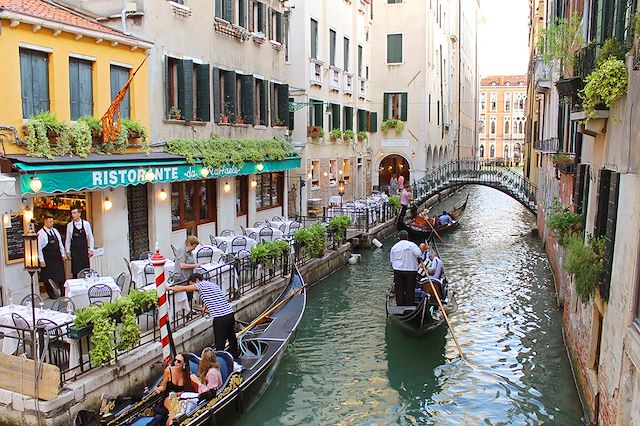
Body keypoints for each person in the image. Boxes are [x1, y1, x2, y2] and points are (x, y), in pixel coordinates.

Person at [169, 273, 239, 358]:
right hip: (230, 314)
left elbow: (184, 288)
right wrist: (205, 307)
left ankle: (219, 360)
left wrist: (169, 288)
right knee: (231, 336)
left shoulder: (200, 285)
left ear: (197, 280)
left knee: (220, 341)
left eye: (192, 284)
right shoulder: (212, 285)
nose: (194, 290)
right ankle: (235, 354)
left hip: (220, 317)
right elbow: (214, 297)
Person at [153, 353, 193, 426]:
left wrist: (179, 394)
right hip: (169, 398)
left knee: (177, 411)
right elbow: (163, 386)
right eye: (175, 360)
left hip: (180, 398)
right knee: (174, 411)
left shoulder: (187, 374)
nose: (175, 363)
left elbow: (188, 390)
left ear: (184, 363)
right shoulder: (168, 370)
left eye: (179, 361)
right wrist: (159, 389)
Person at [389, 230, 423, 306]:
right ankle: (409, 304)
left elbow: (392, 260)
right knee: (410, 289)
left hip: (398, 271)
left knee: (399, 289)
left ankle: (400, 304)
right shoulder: (412, 245)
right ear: (407, 237)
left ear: (399, 238)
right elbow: (419, 254)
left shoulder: (394, 247)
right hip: (410, 270)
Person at [37, 216, 67, 295]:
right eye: (50, 222)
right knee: (48, 278)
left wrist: (63, 254)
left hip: (57, 258)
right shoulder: (41, 233)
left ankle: (63, 293)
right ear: (45, 222)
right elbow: (39, 248)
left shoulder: (55, 231)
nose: (52, 223)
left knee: (61, 277)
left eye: (52, 221)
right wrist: (41, 260)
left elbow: (60, 243)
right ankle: (51, 294)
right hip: (48, 259)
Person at [65, 206, 95, 278]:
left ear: (79, 214)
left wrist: (91, 249)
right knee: (75, 272)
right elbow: (68, 240)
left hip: (84, 251)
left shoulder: (86, 224)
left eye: (74, 213)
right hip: (74, 252)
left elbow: (91, 237)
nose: (73, 215)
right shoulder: (69, 225)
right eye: (72, 213)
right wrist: (67, 251)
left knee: (86, 271)